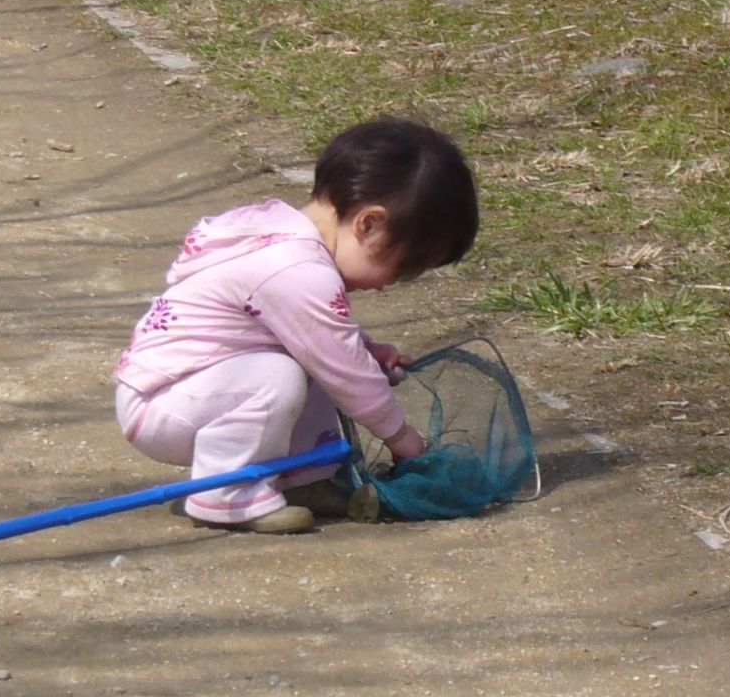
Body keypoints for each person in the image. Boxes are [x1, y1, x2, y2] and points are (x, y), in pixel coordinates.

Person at [113, 117, 478, 533]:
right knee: (281, 375)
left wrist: (365, 346)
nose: (389, 284)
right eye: (399, 267)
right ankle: (224, 495)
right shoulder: (297, 269)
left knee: (306, 363)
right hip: (166, 404)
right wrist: (402, 439)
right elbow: (347, 373)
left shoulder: (281, 234)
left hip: (197, 391)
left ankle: (301, 480)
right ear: (369, 224)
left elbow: (310, 330)